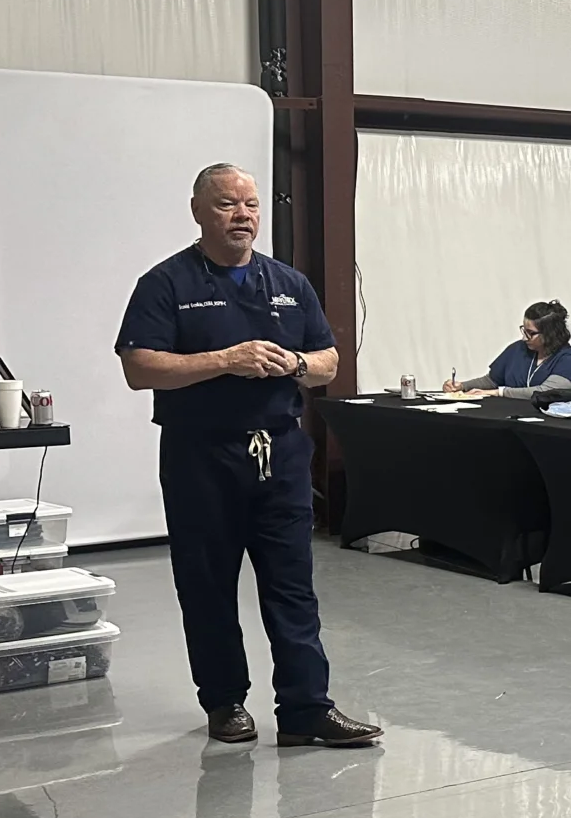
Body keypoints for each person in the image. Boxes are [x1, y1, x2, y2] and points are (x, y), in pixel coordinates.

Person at [114, 164, 382, 750]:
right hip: (201, 457)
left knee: (293, 586)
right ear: (198, 211)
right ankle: (225, 701)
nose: (242, 215)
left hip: (280, 454)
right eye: (227, 205)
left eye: (251, 205)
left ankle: (307, 707)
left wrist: (294, 364)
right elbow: (139, 368)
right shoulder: (167, 283)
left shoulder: (289, 283)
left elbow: (330, 363)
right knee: (207, 585)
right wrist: (225, 359)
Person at [446, 299, 571, 392]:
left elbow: (546, 391)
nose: (524, 338)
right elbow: (491, 380)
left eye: (530, 333)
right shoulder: (517, 350)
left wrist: (499, 392)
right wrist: (461, 386)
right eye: (524, 330)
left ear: (549, 333)